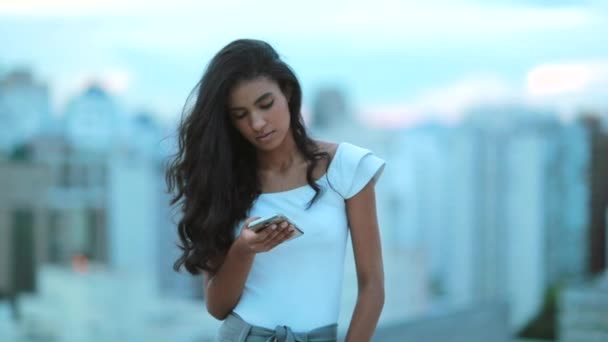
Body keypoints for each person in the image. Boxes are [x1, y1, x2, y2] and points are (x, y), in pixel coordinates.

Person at [166, 38, 386, 342]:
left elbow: (372, 286)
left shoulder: (347, 166)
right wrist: (244, 249)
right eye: (240, 115)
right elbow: (217, 307)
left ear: (288, 93)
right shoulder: (221, 181)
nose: (257, 123)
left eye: (265, 104)